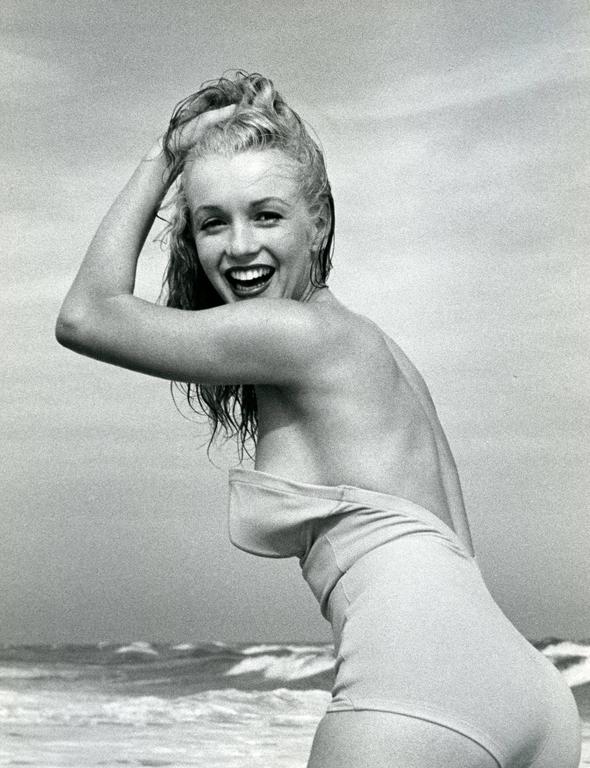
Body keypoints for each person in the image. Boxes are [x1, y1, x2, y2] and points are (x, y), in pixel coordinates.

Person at [56, 71, 581, 768]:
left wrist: (163, 157)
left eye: (266, 215)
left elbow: (86, 315)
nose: (239, 247)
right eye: (213, 221)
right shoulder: (373, 349)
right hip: (529, 695)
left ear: (320, 222)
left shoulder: (296, 335)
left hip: (422, 687)